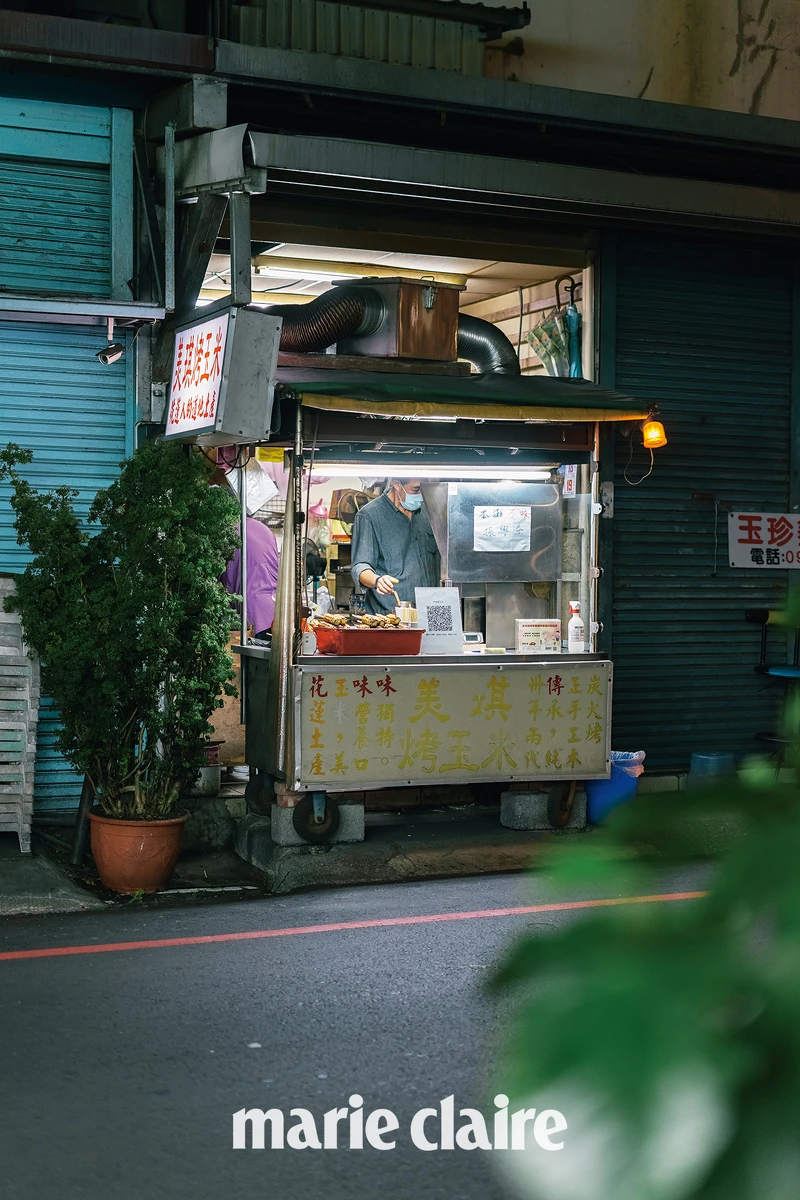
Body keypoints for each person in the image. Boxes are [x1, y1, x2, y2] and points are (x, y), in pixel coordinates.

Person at [350, 478, 440, 614]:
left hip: (430, 611)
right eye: (416, 489)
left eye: (424, 489)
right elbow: (360, 566)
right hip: (389, 615)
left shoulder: (429, 512)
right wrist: (377, 580)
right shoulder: (370, 516)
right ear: (396, 484)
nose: (421, 495)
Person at [221, 516, 280, 638]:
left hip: (252, 613)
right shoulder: (265, 530)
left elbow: (219, 583)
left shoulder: (225, 534)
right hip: (277, 609)